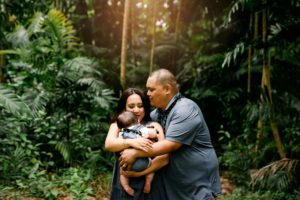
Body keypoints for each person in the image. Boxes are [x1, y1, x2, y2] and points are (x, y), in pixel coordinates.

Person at [120, 69, 222, 200]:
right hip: (176, 181)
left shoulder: (185, 109)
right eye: (147, 89)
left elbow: (171, 145)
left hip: (198, 179)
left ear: (167, 89)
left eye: (152, 89)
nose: (148, 94)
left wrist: (136, 153)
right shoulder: (156, 114)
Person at [105, 88, 168, 200]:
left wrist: (140, 173)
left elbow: (164, 158)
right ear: (124, 107)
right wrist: (132, 142)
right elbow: (109, 144)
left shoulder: (153, 126)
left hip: (150, 188)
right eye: (131, 106)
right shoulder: (119, 125)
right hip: (124, 188)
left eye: (140, 106)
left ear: (145, 107)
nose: (136, 110)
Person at [116, 111, 160, 196]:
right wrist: (155, 132)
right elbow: (153, 134)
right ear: (138, 121)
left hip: (127, 165)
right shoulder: (141, 130)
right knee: (151, 168)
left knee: (122, 174)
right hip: (143, 162)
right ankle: (148, 182)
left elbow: (117, 145)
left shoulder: (121, 134)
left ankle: (126, 187)